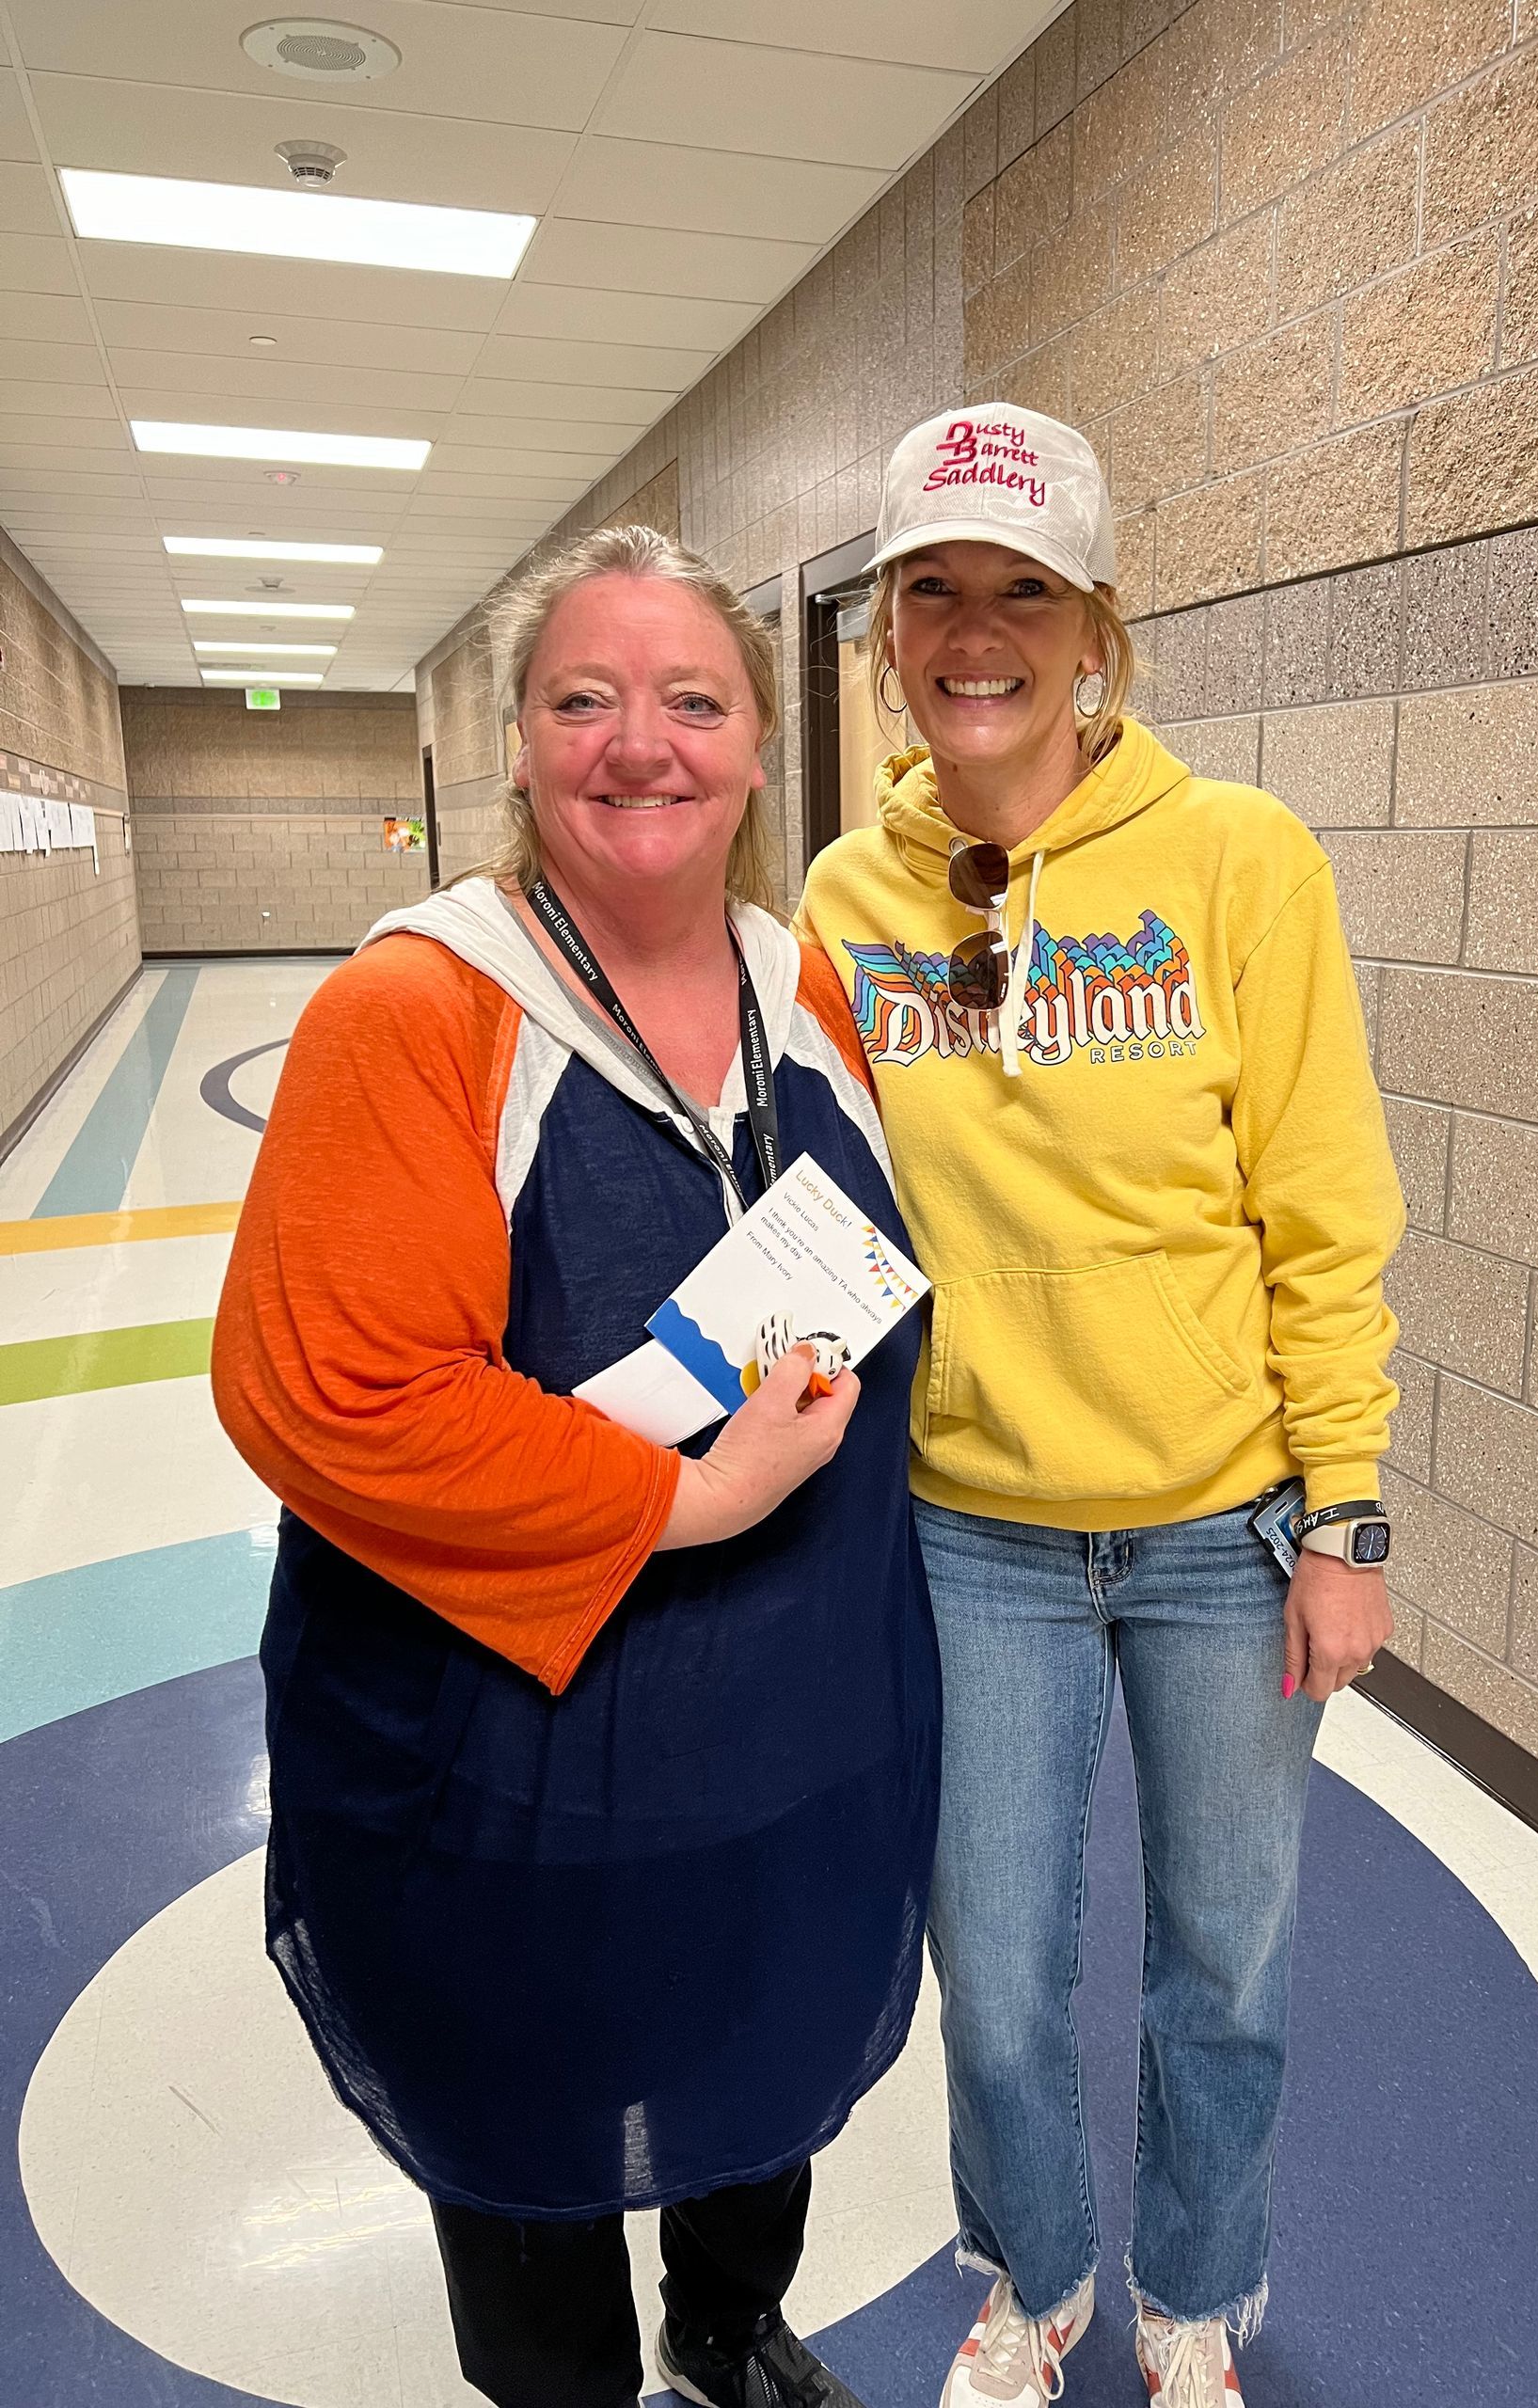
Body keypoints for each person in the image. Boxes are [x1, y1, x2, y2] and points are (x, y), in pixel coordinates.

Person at [212, 523, 940, 2408]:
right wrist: (688, 1497)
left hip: (791, 1708)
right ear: (520, 741)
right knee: (529, 2117)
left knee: (757, 2049)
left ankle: (725, 2324)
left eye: (693, 698)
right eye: (585, 698)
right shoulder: (420, 1011)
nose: (641, 742)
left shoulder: (814, 995)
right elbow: (330, 1393)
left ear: (762, 745)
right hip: (511, 1745)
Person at [798, 405, 1404, 2408]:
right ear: (890, 630)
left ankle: (1195, 2293)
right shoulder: (846, 901)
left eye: (1022, 590)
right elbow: (814, 1205)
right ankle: (1034, 2276)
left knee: (1222, 1965)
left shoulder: (1240, 862)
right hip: (967, 1527)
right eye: (934, 590)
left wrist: (1347, 1515)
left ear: (1096, 630)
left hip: (1223, 1528)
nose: (978, 631)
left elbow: (1323, 1208)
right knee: (993, 1975)